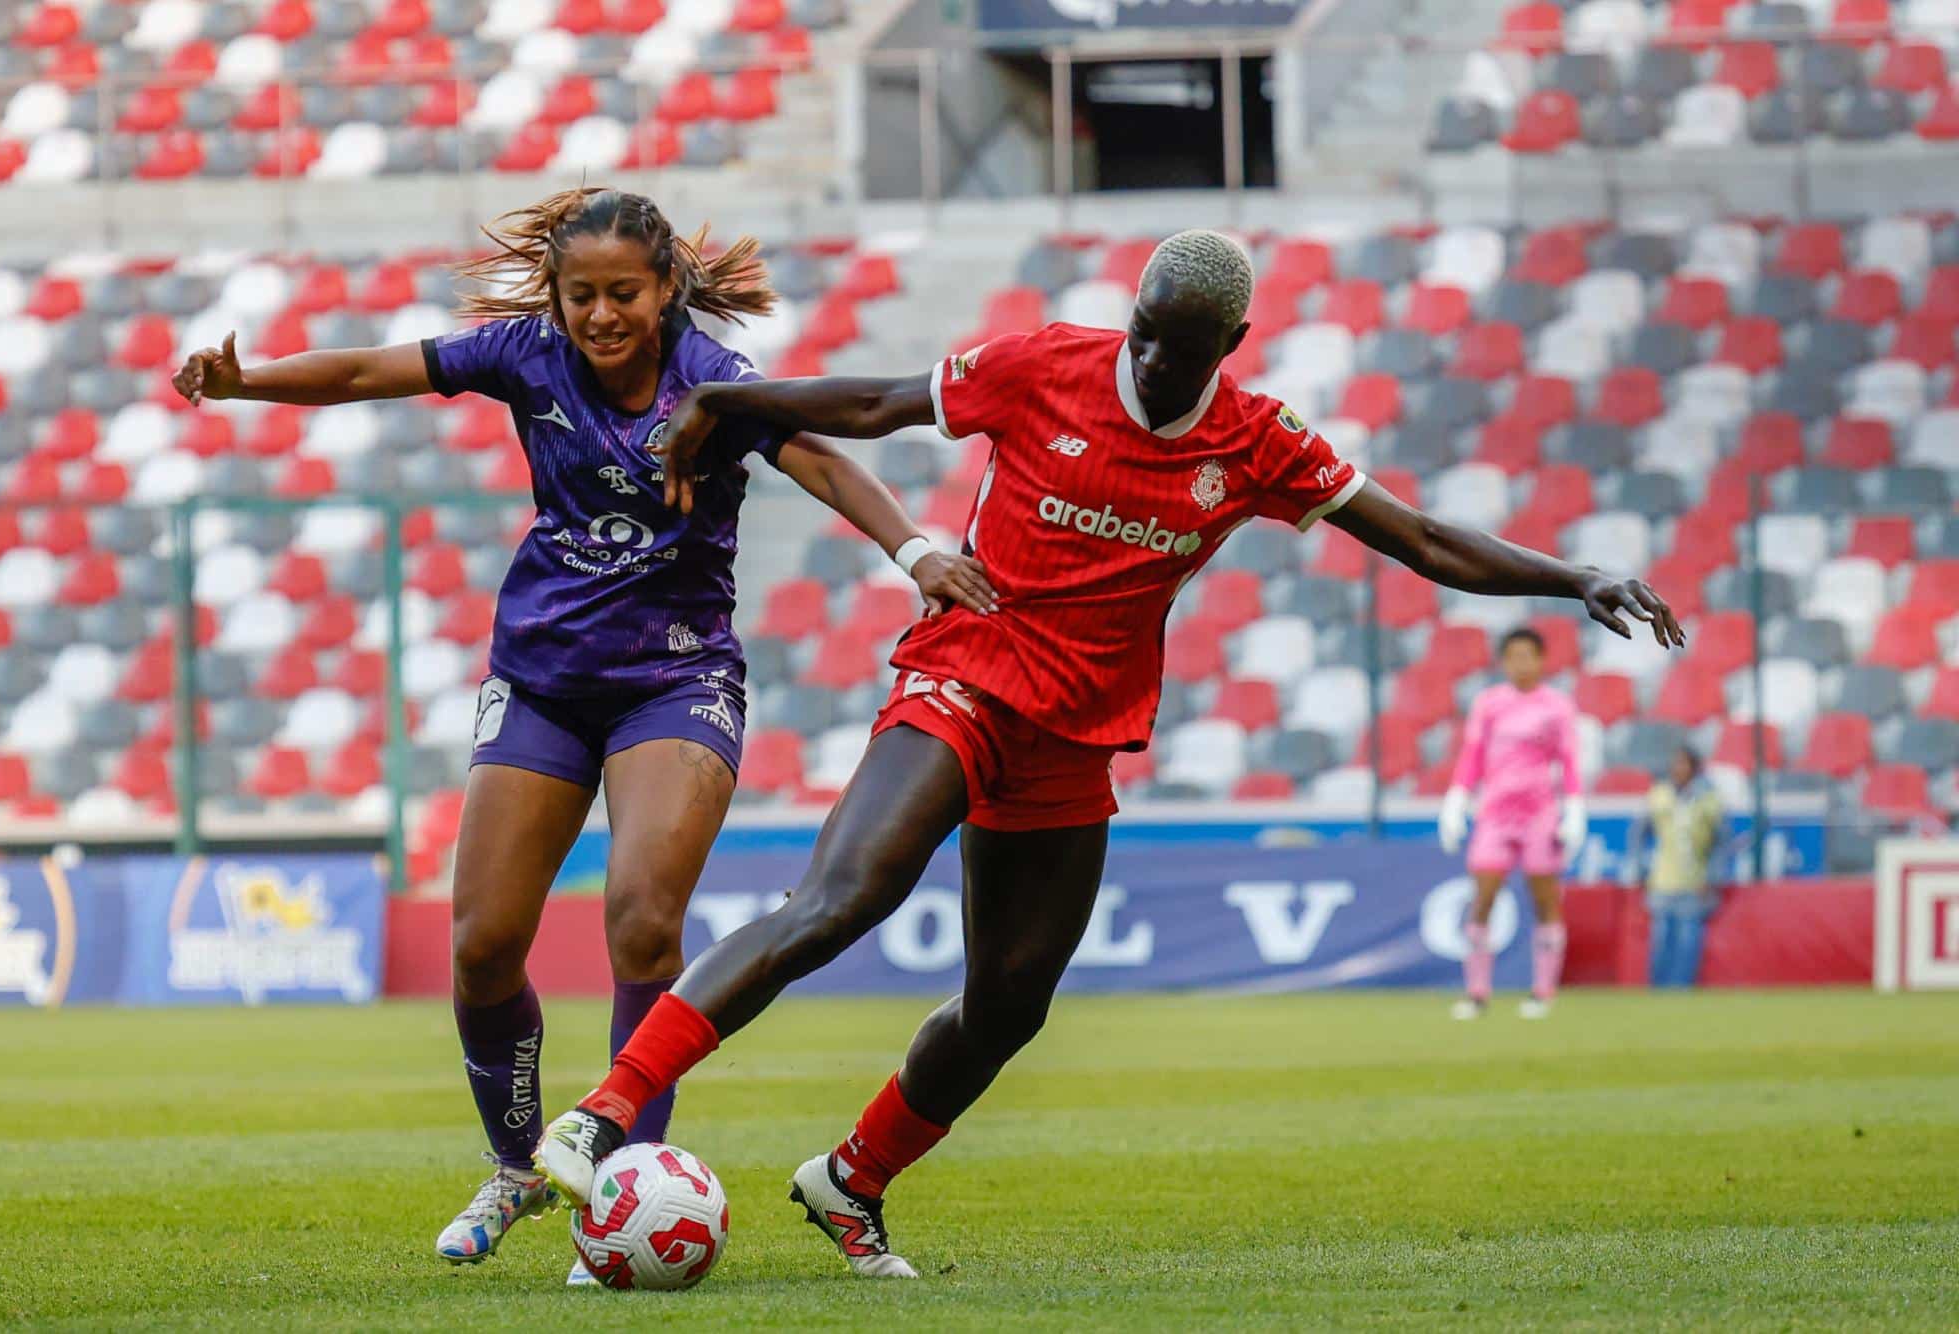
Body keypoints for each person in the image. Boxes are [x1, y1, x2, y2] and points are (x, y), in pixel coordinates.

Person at [533, 229, 1685, 1277]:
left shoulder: (1259, 439)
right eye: (1143, 335)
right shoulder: (1045, 363)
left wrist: (1572, 573)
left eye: (1182, 352)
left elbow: (1424, 537)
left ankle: (850, 1181)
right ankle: (603, 1112)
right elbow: (884, 400)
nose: (1153, 363)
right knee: (838, 899)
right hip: (965, 675)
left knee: (1008, 1003)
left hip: (1075, 734)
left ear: (1228, 346)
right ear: (1128, 313)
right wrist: (731, 401)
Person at [170, 188, 993, 1276]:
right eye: (581, 295)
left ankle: (616, 1183)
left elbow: (826, 462)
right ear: (554, 299)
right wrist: (249, 382)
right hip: (542, 681)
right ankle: (516, 1164)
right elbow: (373, 369)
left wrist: (917, 551)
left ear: (665, 291)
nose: (600, 314)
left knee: (644, 920)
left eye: (623, 293)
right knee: (481, 945)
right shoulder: (524, 355)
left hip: (676, 679)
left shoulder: (719, 380)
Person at [1439, 626, 1586, 1022]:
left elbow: (1569, 760)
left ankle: (1542, 991)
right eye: (1513, 656)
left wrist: (1574, 808)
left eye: (1528, 656)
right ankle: (1477, 993)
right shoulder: (1489, 704)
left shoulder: (1557, 706)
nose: (1521, 664)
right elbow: (1472, 755)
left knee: (1544, 902)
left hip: (1540, 815)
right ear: (1504, 661)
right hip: (1495, 815)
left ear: (1541, 660)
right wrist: (1457, 799)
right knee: (1482, 898)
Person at [1634, 745, 1723, 988]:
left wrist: (1712, 876)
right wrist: (1642, 869)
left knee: (1688, 943)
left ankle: (1682, 994)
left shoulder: (1709, 800)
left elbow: (1721, 843)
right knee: (1661, 941)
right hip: (1662, 881)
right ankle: (1658, 991)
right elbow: (1639, 835)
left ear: (1694, 767)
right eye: (1676, 763)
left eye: (1684, 763)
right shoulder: (1659, 795)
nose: (1678, 768)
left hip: (1694, 883)